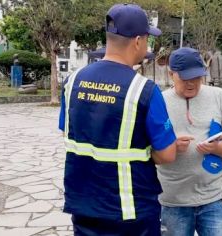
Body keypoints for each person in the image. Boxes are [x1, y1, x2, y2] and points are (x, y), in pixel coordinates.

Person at [58, 3, 177, 236]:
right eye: (147, 39)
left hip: (83, 207)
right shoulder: (144, 90)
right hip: (131, 211)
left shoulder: (73, 82)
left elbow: (69, 132)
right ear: (137, 41)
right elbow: (167, 154)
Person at [157, 47, 222, 236]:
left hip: (213, 200)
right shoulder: (159, 102)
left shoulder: (219, 96)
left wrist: (217, 147)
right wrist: (171, 146)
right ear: (171, 74)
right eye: (185, 78)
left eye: (196, 77)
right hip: (172, 203)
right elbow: (149, 151)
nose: (192, 83)